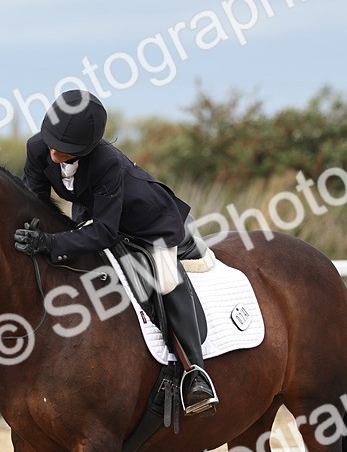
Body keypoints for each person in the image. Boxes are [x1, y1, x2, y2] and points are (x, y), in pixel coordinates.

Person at [14, 89, 219, 417]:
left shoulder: (106, 162)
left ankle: (195, 371)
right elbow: (34, 201)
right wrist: (32, 234)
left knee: (165, 279)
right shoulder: (37, 148)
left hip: (151, 225)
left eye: (64, 147)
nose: (53, 150)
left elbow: (106, 233)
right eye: (51, 140)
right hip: (96, 216)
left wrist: (52, 244)